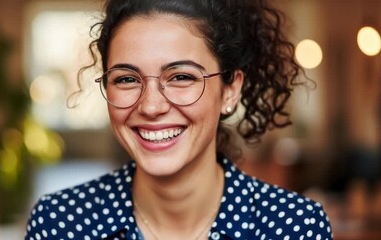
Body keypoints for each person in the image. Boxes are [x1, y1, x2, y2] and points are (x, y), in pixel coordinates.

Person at [25, 0, 333, 239]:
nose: (151, 105)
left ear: (230, 90)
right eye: (127, 79)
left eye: (181, 76)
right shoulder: (59, 223)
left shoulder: (296, 226)